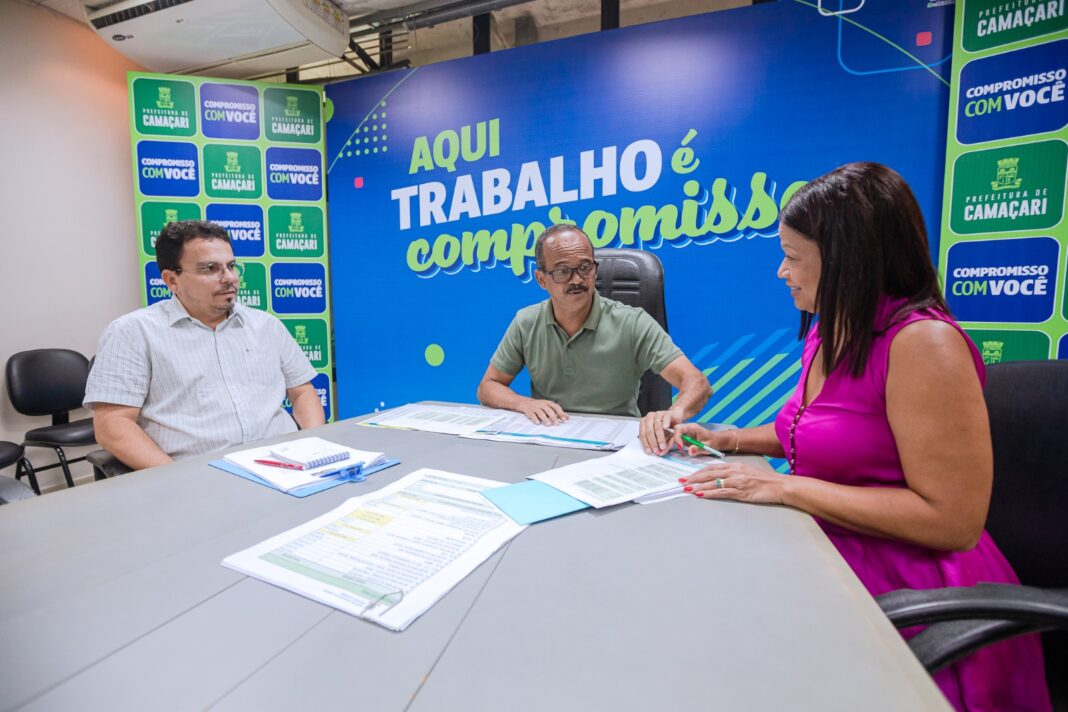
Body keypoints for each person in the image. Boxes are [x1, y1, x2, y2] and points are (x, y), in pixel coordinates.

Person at [662, 162, 1050, 711]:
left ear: (849, 259)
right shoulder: (830, 327)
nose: (781, 271)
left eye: (793, 256)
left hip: (913, 589)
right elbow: (808, 431)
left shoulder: (923, 344)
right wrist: (727, 439)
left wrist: (787, 488)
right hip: (829, 549)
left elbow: (953, 522)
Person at [84, 220, 325, 470]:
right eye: (210, 268)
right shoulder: (133, 332)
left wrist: (313, 449)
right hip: (200, 474)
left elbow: (302, 391)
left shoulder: (266, 325)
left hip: (286, 464)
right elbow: (113, 424)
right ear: (172, 280)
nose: (229, 278)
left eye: (231, 266)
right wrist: (179, 478)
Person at [476, 224, 712, 451]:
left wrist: (674, 413)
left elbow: (697, 382)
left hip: (616, 446)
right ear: (541, 279)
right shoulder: (526, 322)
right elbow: (488, 386)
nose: (577, 280)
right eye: (562, 271)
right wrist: (525, 404)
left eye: (585, 267)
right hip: (549, 439)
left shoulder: (632, 322)